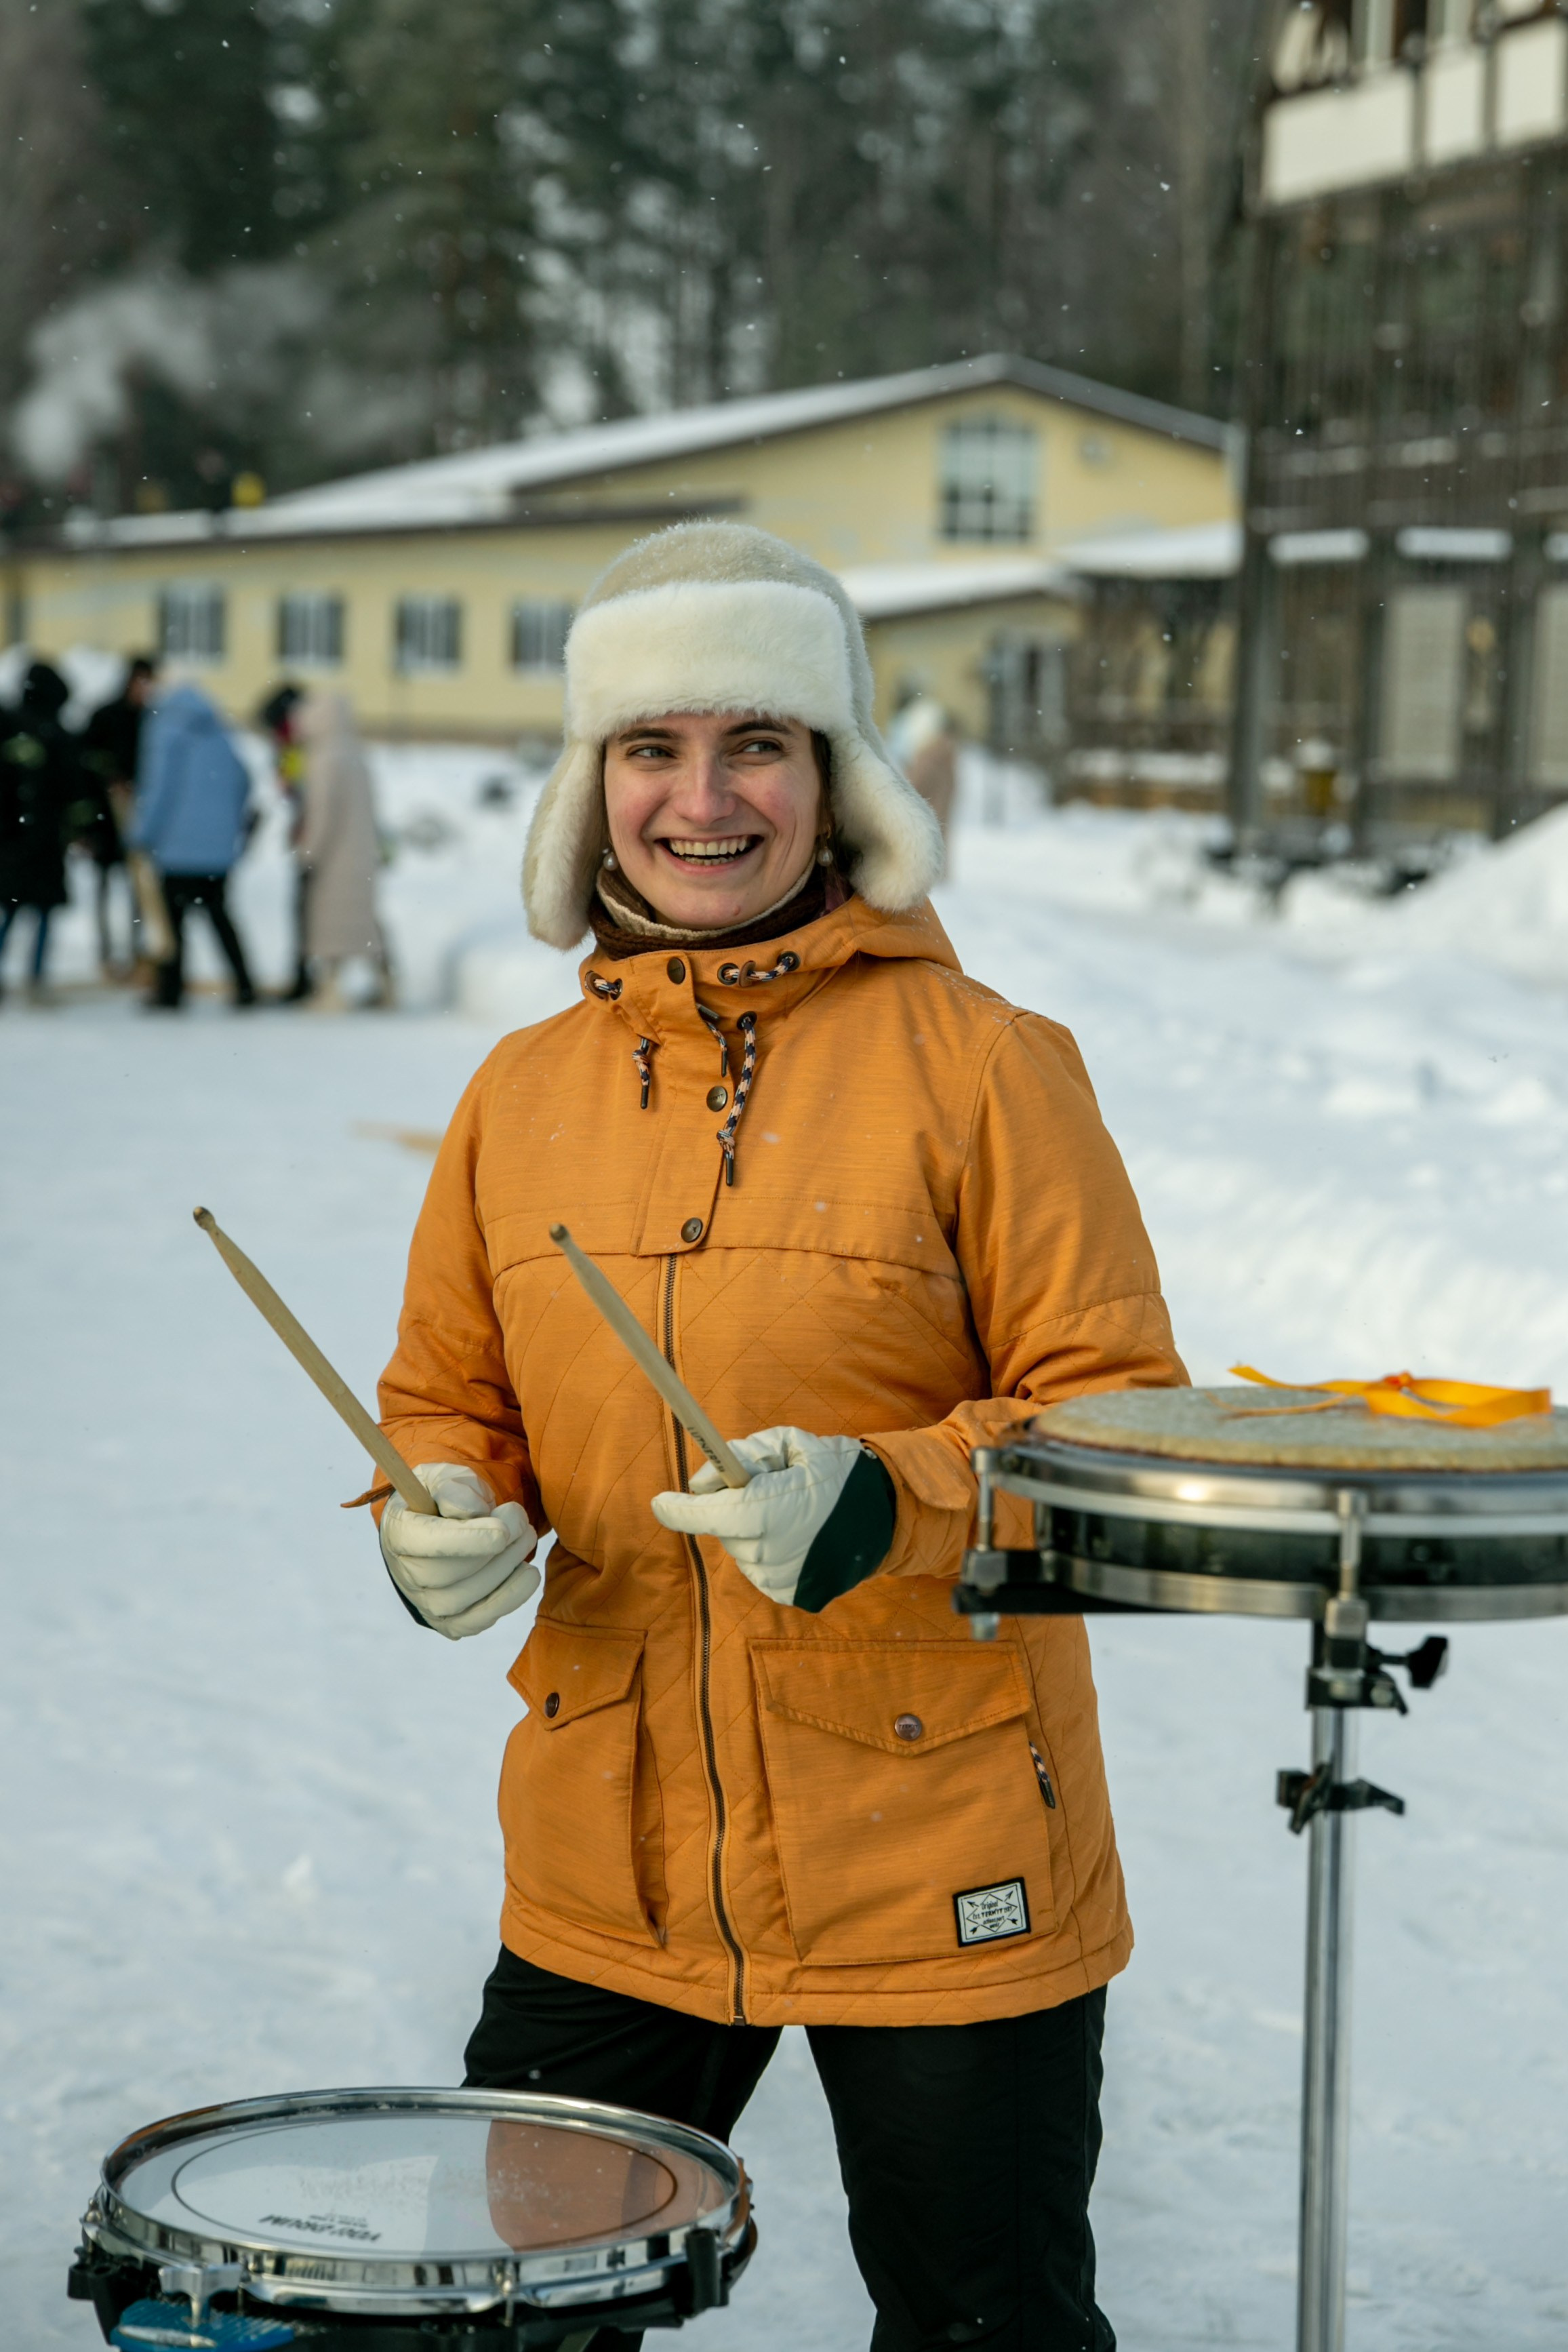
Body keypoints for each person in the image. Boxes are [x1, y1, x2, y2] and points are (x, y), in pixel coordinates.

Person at [372, 522, 1185, 2352]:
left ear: (835, 781)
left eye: (760, 743)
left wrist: (885, 1499)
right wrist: (435, 1501)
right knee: (516, 2316)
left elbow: (1113, 1411)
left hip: (945, 1816)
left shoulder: (986, 1060)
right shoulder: (520, 1091)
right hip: (610, 1841)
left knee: (988, 2318)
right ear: (594, 787)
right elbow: (448, 1390)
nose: (703, 795)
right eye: (652, 749)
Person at [259, 682, 391, 1008]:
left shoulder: (323, 758)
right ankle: (386, 986)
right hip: (358, 854)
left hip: (333, 859)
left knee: (328, 927)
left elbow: (321, 813)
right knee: (362, 925)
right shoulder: (354, 752)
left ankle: (330, 992)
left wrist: (307, 852)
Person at [130, 677, 256, 1010]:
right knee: (220, 918)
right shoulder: (221, 735)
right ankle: (244, 984)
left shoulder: (167, 733)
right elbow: (244, 783)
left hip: (177, 850)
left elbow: (159, 791)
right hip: (216, 854)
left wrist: (142, 834)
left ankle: (171, 991)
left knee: (174, 923)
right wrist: (228, 829)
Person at [0, 662, 76, 1002]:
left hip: (14, 838)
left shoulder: (10, 724)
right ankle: (36, 978)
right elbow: (70, 787)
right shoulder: (55, 732)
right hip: (43, 837)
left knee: (12, 907)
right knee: (41, 909)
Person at [77, 655, 158, 974]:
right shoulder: (106, 716)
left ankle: (137, 948)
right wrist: (108, 779)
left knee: (138, 885)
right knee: (104, 884)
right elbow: (86, 761)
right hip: (105, 815)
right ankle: (106, 950)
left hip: (136, 816)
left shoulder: (151, 719)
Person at [888, 692, 960, 874]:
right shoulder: (947, 753)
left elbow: (911, 788)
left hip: (923, 833)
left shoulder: (928, 754)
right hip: (938, 821)